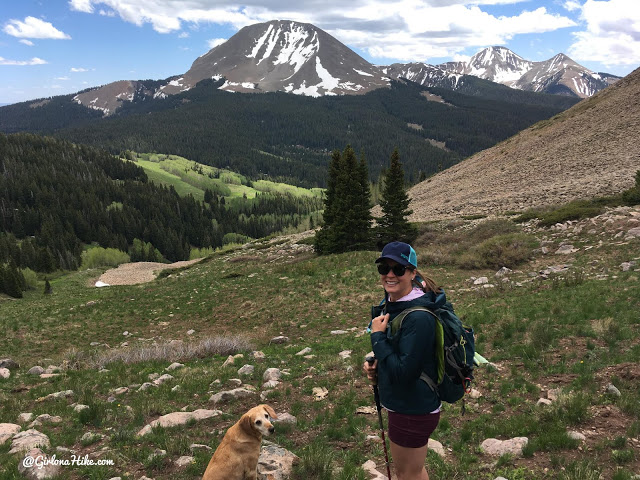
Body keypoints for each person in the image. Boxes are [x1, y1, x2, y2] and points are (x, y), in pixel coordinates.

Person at [363, 241, 447, 480]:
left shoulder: (418, 317)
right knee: (414, 470)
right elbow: (402, 355)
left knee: (406, 474)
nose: (390, 274)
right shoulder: (396, 304)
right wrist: (375, 360)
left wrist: (377, 338)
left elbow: (403, 373)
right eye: (384, 268)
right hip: (409, 405)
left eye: (398, 269)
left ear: (412, 272)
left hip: (411, 409)